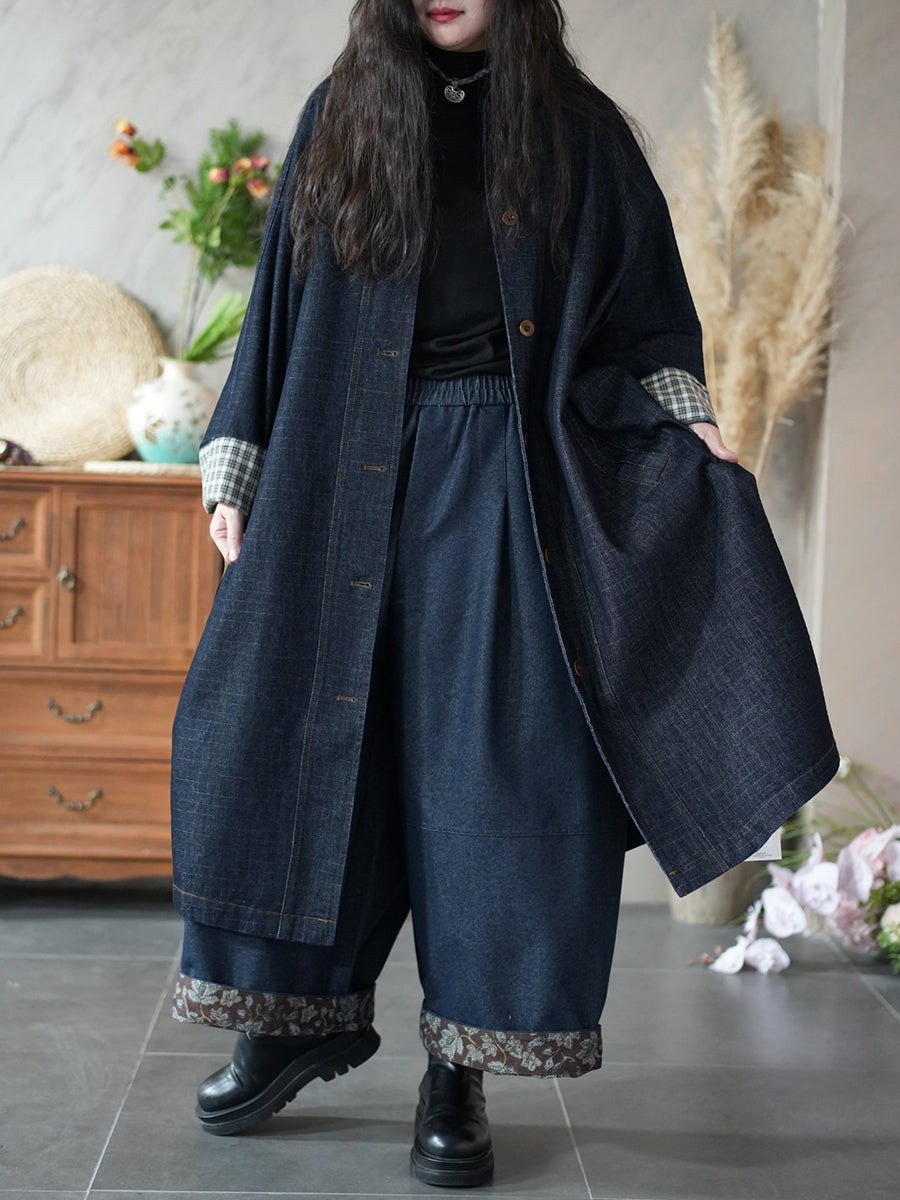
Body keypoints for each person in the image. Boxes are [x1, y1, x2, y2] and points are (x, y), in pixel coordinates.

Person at [168, 0, 839, 1189]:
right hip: (338, 463)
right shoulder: (342, 117)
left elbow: (644, 317)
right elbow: (276, 313)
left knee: (489, 772)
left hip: (504, 473)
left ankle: (457, 1066)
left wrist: (686, 424)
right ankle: (290, 1023)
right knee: (296, 740)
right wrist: (241, 466)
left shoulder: (578, 132)